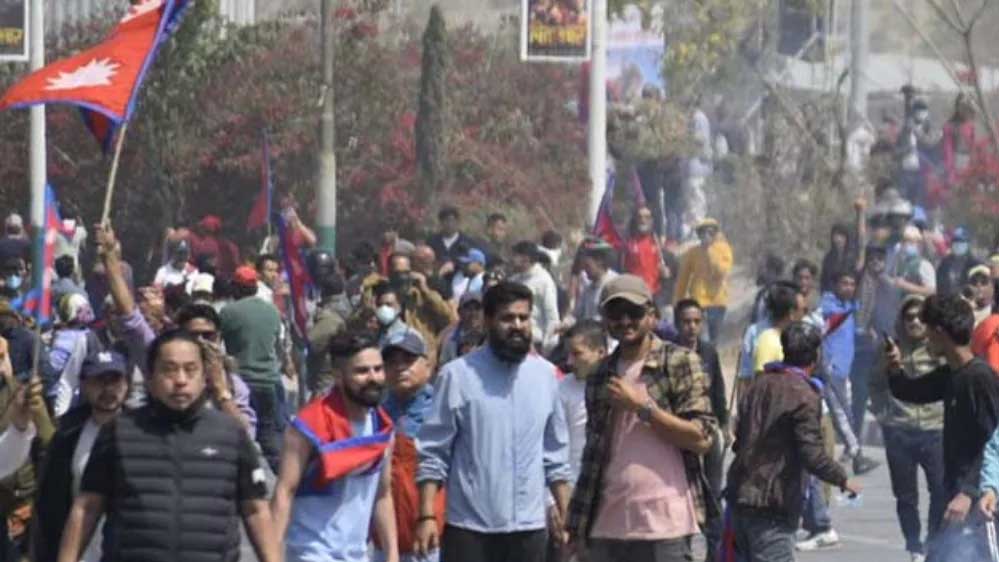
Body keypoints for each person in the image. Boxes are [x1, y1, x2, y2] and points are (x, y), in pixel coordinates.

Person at [55, 330, 279, 562]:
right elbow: (87, 507)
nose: (180, 380)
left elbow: (256, 510)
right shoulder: (118, 432)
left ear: (204, 378)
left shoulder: (231, 434)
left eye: (190, 370)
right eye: (169, 370)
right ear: (150, 378)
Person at [414, 282, 571, 562]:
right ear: (488, 321)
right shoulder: (457, 376)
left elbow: (556, 457)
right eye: (508, 318)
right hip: (470, 529)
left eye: (523, 318)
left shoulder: (546, 376)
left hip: (529, 529)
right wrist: (426, 516)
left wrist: (566, 515)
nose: (517, 326)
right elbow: (433, 453)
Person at [567, 274, 716, 562]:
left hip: (665, 526)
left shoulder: (679, 362)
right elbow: (593, 454)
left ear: (650, 314)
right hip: (606, 527)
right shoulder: (599, 375)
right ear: (605, 319)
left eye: (633, 312)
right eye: (616, 313)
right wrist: (576, 523)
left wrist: (642, 408)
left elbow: (701, 438)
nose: (625, 321)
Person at [726, 322, 861, 562]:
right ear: (816, 355)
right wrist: (843, 479)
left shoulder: (758, 385)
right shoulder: (805, 394)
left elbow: (740, 441)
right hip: (771, 507)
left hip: (740, 499)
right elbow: (812, 455)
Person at [885, 295, 999, 562]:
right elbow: (910, 391)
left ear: (939, 332)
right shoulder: (952, 374)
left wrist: (969, 493)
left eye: (927, 328)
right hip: (955, 494)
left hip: (980, 501)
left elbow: (993, 442)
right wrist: (894, 366)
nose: (925, 337)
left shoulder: (979, 378)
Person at [272, 333, 398, 562]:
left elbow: (383, 494)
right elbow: (284, 491)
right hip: (311, 552)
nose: (373, 378)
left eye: (378, 369)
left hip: (358, 554)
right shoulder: (309, 426)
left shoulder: (382, 426)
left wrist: (392, 554)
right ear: (339, 376)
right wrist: (271, 555)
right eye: (362, 371)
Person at [33, 350, 130, 562]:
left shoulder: (143, 433)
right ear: (84, 385)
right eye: (99, 381)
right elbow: (50, 501)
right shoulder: (67, 434)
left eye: (115, 380)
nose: (108, 389)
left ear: (126, 384)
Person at [869, 296, 946, 562]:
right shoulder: (891, 349)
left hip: (935, 428)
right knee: (905, 496)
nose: (914, 322)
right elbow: (875, 384)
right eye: (909, 317)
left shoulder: (938, 349)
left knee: (940, 491)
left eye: (919, 317)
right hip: (900, 431)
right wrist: (883, 415)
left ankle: (934, 540)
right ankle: (913, 545)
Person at [379, 330, 445, 562]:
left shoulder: (442, 410)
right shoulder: (375, 414)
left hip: (429, 539)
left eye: (408, 360)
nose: (400, 368)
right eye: (392, 362)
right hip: (384, 542)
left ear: (428, 366)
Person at [674, 299, 728, 562]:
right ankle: (682, 549)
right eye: (686, 322)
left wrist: (725, 426)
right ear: (678, 324)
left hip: (708, 432)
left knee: (713, 492)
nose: (692, 327)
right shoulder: (669, 353)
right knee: (682, 492)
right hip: (680, 432)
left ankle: (714, 552)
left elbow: (718, 391)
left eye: (696, 321)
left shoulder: (709, 351)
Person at [220, 265, 285, 471]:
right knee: (268, 435)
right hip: (268, 381)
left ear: (236, 288)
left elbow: (217, 344)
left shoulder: (228, 312)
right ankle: (284, 478)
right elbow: (278, 345)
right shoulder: (272, 311)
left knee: (237, 435)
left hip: (240, 383)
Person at [674, 218, 733, 344]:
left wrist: (710, 251)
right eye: (703, 232)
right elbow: (683, 278)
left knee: (714, 340)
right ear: (699, 234)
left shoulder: (724, 249)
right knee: (702, 339)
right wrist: (678, 301)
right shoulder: (692, 253)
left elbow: (722, 272)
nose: (707, 235)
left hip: (718, 302)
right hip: (698, 302)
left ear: (716, 233)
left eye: (710, 232)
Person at [385, 253, 456, 352]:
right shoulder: (382, 296)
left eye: (406, 272)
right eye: (398, 273)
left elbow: (449, 319)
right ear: (389, 273)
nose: (402, 278)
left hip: (421, 353)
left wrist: (425, 290)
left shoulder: (422, 296)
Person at [509, 241, 561, 350]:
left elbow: (551, 316)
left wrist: (548, 345)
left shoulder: (543, 281)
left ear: (526, 258)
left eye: (515, 256)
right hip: (515, 337)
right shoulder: (514, 280)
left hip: (535, 342)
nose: (512, 259)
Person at [568, 238, 618, 324]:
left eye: (587, 266)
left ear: (600, 261)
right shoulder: (588, 288)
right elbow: (577, 314)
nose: (584, 270)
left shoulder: (614, 284)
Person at [437, 292, 484, 367]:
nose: (473, 313)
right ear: (459, 312)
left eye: (477, 308)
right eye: (468, 309)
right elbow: (443, 367)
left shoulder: (491, 338)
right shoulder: (449, 339)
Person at [891, 225, 937, 299]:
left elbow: (932, 291)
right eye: (904, 241)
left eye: (911, 242)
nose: (906, 244)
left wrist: (906, 286)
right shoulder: (900, 263)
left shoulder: (924, 265)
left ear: (919, 244)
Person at [936, 227, 978, 297]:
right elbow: (939, 284)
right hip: (947, 300)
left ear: (968, 244)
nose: (958, 245)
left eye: (962, 242)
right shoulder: (944, 262)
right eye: (956, 242)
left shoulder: (975, 264)